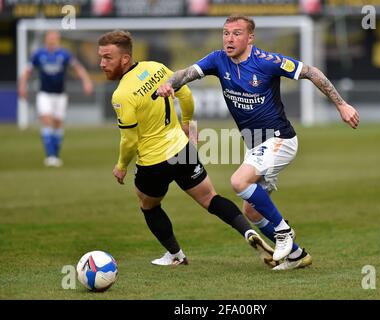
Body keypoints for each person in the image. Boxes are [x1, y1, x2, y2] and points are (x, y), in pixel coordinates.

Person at [157, 14, 360, 270]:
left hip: (280, 140)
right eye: (226, 33)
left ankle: (284, 233)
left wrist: (341, 105)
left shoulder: (267, 62)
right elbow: (185, 74)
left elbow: (311, 72)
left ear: (250, 37)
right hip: (257, 145)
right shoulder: (218, 60)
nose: (229, 39)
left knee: (238, 181)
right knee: (252, 212)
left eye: (237, 33)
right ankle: (297, 256)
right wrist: (167, 84)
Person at [97, 30, 275, 267]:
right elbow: (186, 94)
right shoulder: (157, 68)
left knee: (147, 204)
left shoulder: (122, 94)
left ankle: (175, 255)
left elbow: (129, 141)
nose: (102, 64)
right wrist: (187, 124)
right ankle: (247, 232)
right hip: (182, 151)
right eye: (101, 57)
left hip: (153, 162)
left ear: (125, 58)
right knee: (211, 198)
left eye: (108, 57)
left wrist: (121, 166)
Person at [18, 30, 93, 167]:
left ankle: (56, 155)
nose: (52, 40)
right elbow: (27, 72)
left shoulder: (64, 54)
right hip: (44, 94)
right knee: (47, 121)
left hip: (60, 95)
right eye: (50, 38)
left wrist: (86, 82)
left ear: (58, 40)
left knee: (57, 123)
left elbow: (78, 68)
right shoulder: (39, 54)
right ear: (46, 39)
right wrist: (22, 86)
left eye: (55, 38)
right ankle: (50, 156)